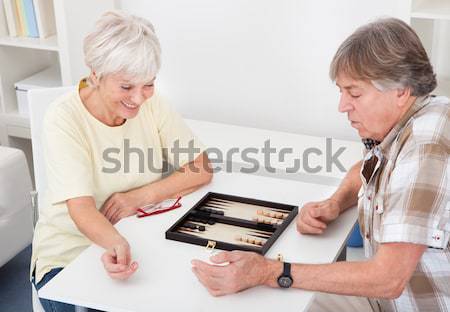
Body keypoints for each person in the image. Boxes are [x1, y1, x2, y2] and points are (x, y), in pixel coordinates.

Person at [192, 17, 449, 312]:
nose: (342, 106)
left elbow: (388, 278)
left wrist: (271, 271)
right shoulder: (400, 124)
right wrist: (335, 203)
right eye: (341, 92)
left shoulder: (425, 143)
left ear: (401, 91)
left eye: (354, 93)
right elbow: (366, 170)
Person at [31, 11, 212, 312]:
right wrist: (116, 243)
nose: (139, 98)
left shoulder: (153, 105)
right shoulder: (63, 118)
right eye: (126, 87)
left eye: (148, 84)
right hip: (69, 251)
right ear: (96, 74)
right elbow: (81, 209)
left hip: (143, 238)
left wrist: (136, 197)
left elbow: (201, 167)